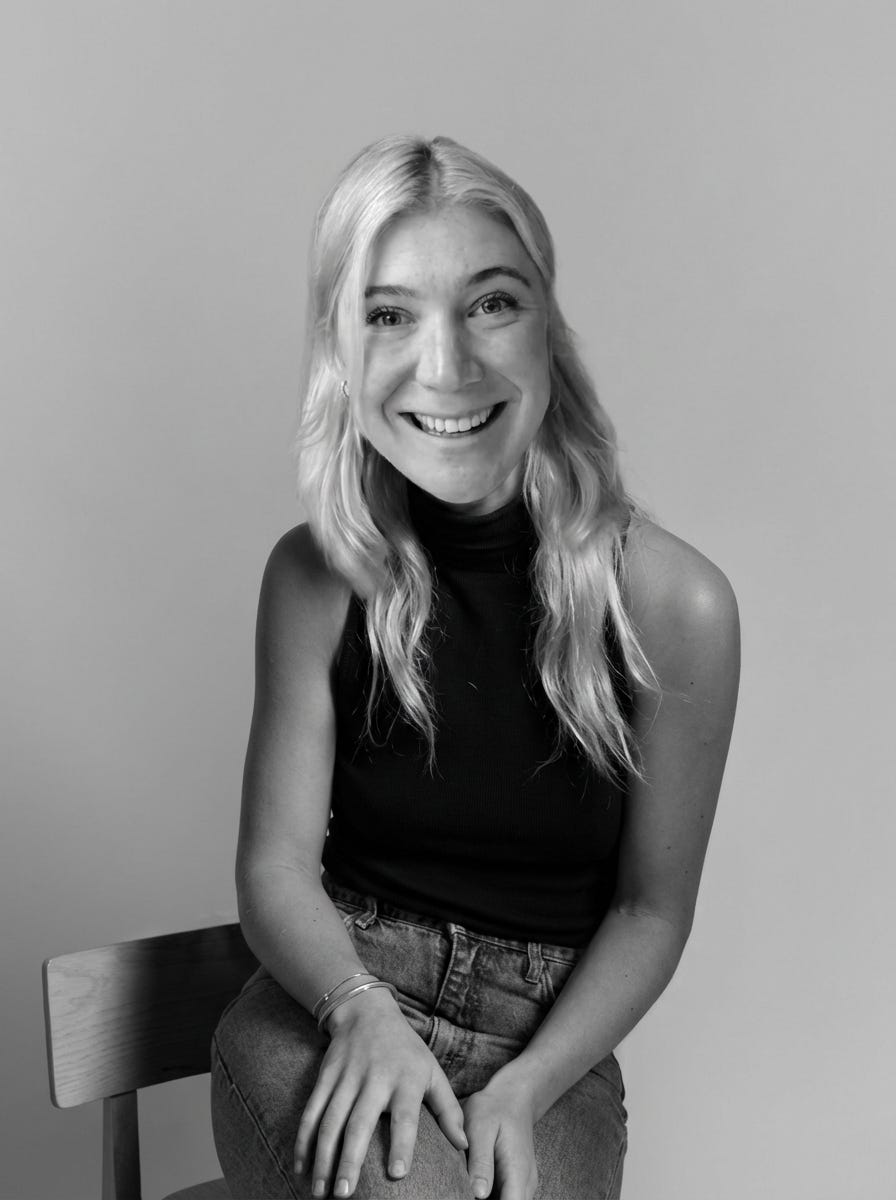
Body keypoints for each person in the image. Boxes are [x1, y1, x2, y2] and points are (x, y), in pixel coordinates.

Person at [210, 134, 740, 1200]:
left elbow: (650, 912)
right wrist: (360, 1010)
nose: (444, 365)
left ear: (549, 329)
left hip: (549, 1048)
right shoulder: (314, 580)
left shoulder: (676, 607)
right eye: (388, 315)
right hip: (335, 1000)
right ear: (342, 352)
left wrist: (530, 1084)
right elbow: (274, 868)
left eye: (491, 303)